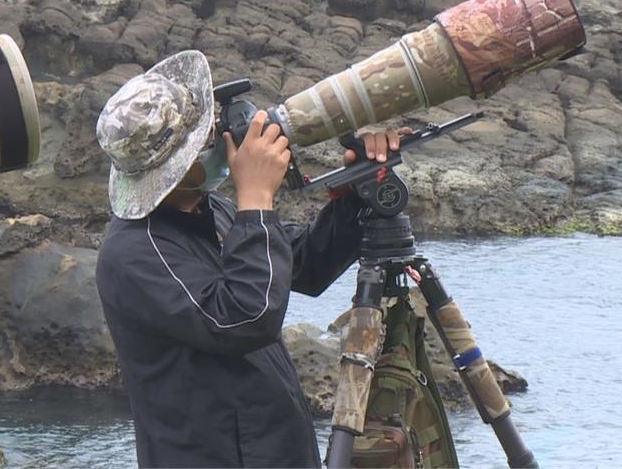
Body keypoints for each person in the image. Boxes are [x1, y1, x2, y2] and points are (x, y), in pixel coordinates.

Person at [94, 50, 406, 468]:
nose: (221, 142)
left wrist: (354, 194)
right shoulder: (134, 252)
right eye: (205, 140)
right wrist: (256, 199)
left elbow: (306, 266)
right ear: (174, 167)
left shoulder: (209, 209)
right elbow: (244, 318)